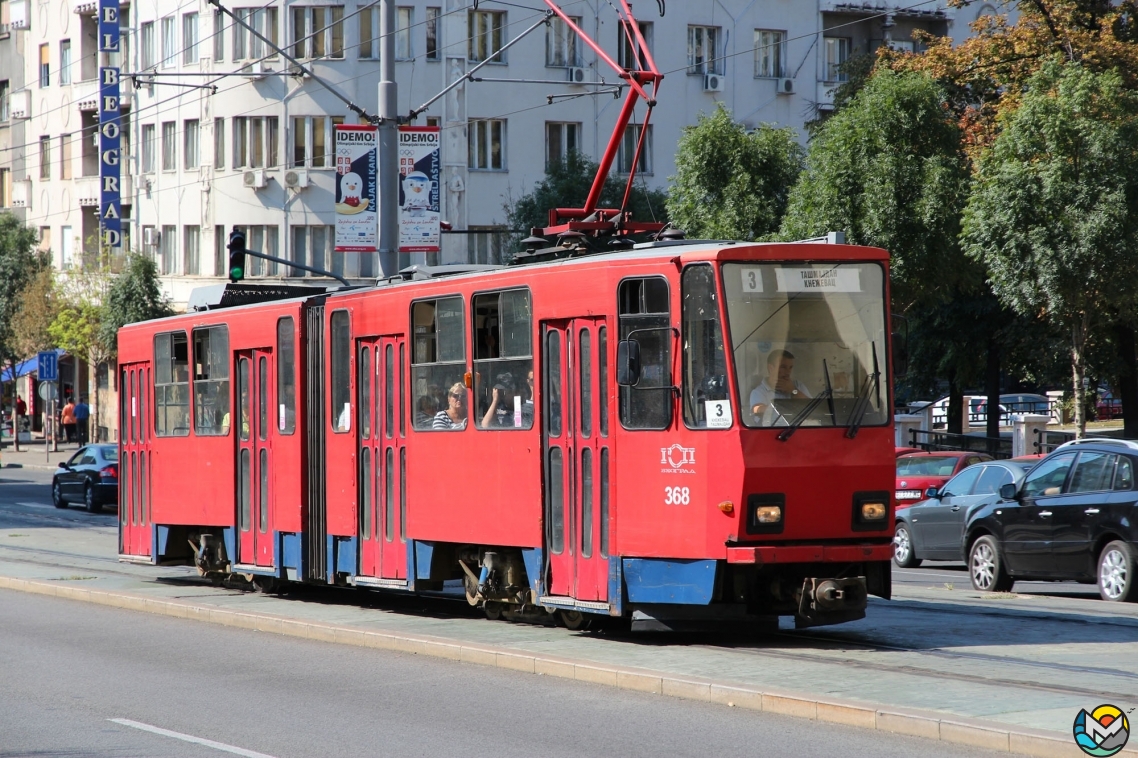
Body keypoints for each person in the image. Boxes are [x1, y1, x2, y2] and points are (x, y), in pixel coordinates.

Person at [749, 349, 811, 423]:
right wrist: (788, 410)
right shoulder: (759, 392)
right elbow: (757, 409)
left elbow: (813, 408)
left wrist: (793, 391)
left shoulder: (798, 386)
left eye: (790, 367)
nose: (788, 372)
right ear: (771, 368)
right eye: (783, 367)